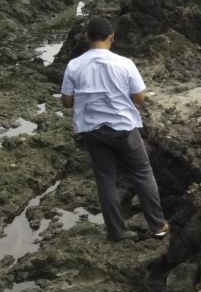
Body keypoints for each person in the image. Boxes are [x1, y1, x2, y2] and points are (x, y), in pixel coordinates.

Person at [61, 16, 170, 242]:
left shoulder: (74, 65)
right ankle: (158, 226)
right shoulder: (124, 64)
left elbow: (67, 102)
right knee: (142, 174)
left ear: (88, 38)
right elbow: (139, 98)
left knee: (105, 180)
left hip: (92, 131)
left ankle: (116, 231)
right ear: (112, 37)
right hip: (123, 129)